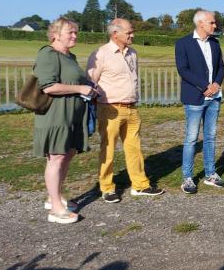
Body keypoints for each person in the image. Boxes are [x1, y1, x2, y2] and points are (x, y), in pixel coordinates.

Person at [87, 18, 164, 203]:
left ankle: (140, 185)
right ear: (115, 33)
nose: (132, 35)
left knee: (134, 148)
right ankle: (106, 188)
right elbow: (90, 83)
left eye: (132, 32)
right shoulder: (101, 54)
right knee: (108, 150)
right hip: (110, 109)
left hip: (132, 109)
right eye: (129, 32)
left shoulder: (133, 53)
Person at [33, 18, 96, 224]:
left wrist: (88, 85)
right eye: (71, 32)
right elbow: (48, 86)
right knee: (56, 157)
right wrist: (80, 89)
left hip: (72, 115)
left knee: (67, 154)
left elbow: (72, 79)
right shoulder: (47, 54)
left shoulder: (69, 56)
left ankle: (56, 197)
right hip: (55, 115)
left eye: (76, 32)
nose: (75, 36)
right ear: (56, 34)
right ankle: (56, 210)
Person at [175, 10, 224, 194]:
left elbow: (221, 66)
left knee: (211, 137)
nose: (215, 25)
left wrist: (216, 84)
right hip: (195, 98)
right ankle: (187, 178)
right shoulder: (183, 43)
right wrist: (205, 86)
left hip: (214, 98)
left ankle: (210, 174)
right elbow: (183, 70)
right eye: (212, 22)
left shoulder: (214, 42)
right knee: (191, 139)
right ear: (201, 23)